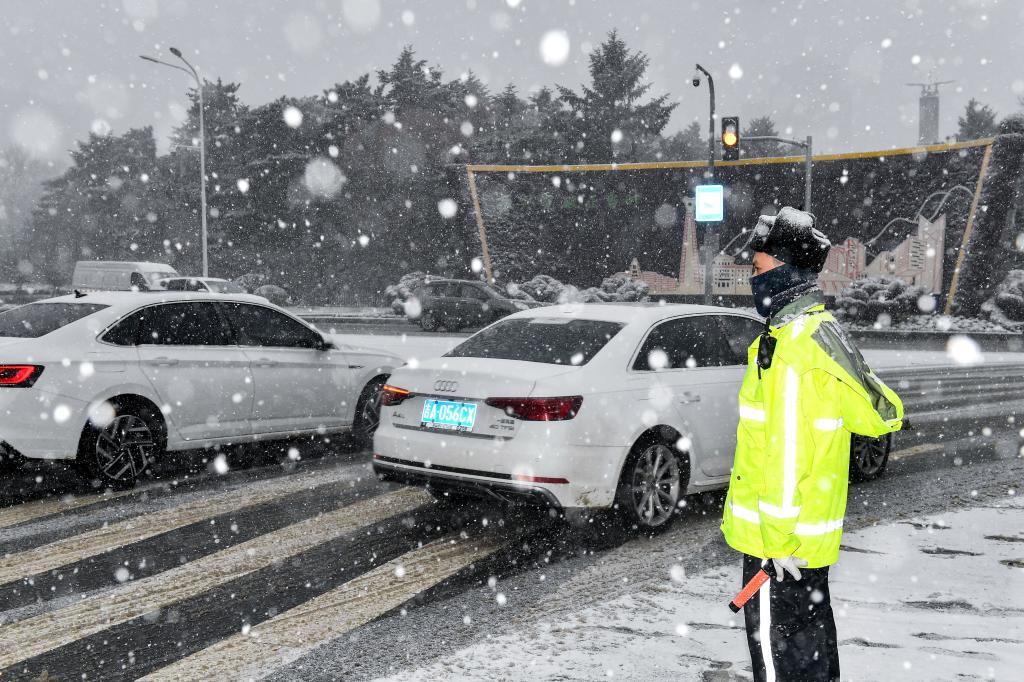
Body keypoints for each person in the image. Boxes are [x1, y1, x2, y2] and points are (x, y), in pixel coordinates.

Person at [720, 207, 904, 682]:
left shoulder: (793, 349)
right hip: (809, 548)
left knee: (781, 668)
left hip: (778, 550)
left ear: (786, 272)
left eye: (759, 270)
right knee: (811, 662)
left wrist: (777, 546)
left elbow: (785, 455)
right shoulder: (819, 332)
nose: (753, 281)